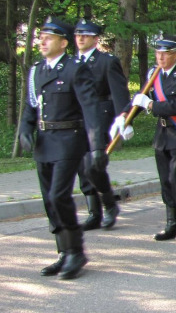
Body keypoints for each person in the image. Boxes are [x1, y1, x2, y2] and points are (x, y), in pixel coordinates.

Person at [19, 17, 107, 279]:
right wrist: (25, 129)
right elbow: (31, 106)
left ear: (63, 42)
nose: (42, 41)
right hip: (45, 143)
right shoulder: (37, 70)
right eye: (41, 36)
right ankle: (63, 252)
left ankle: (76, 252)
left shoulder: (75, 69)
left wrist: (97, 147)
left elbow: (91, 109)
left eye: (49, 37)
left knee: (59, 196)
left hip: (70, 141)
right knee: (49, 201)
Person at [122, 35, 176, 243]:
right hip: (162, 135)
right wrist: (126, 117)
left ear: (175, 54)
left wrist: (150, 106)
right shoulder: (153, 73)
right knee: (165, 181)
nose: (160, 57)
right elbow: (141, 97)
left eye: (165, 53)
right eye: (158, 53)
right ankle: (171, 223)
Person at [73, 19, 128, 231]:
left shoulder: (106, 61)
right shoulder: (71, 63)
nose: (80, 38)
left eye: (85, 35)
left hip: (99, 118)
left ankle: (109, 205)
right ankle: (94, 213)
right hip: (76, 119)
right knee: (81, 167)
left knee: (93, 164)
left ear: (95, 39)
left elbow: (119, 92)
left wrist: (123, 116)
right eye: (78, 34)